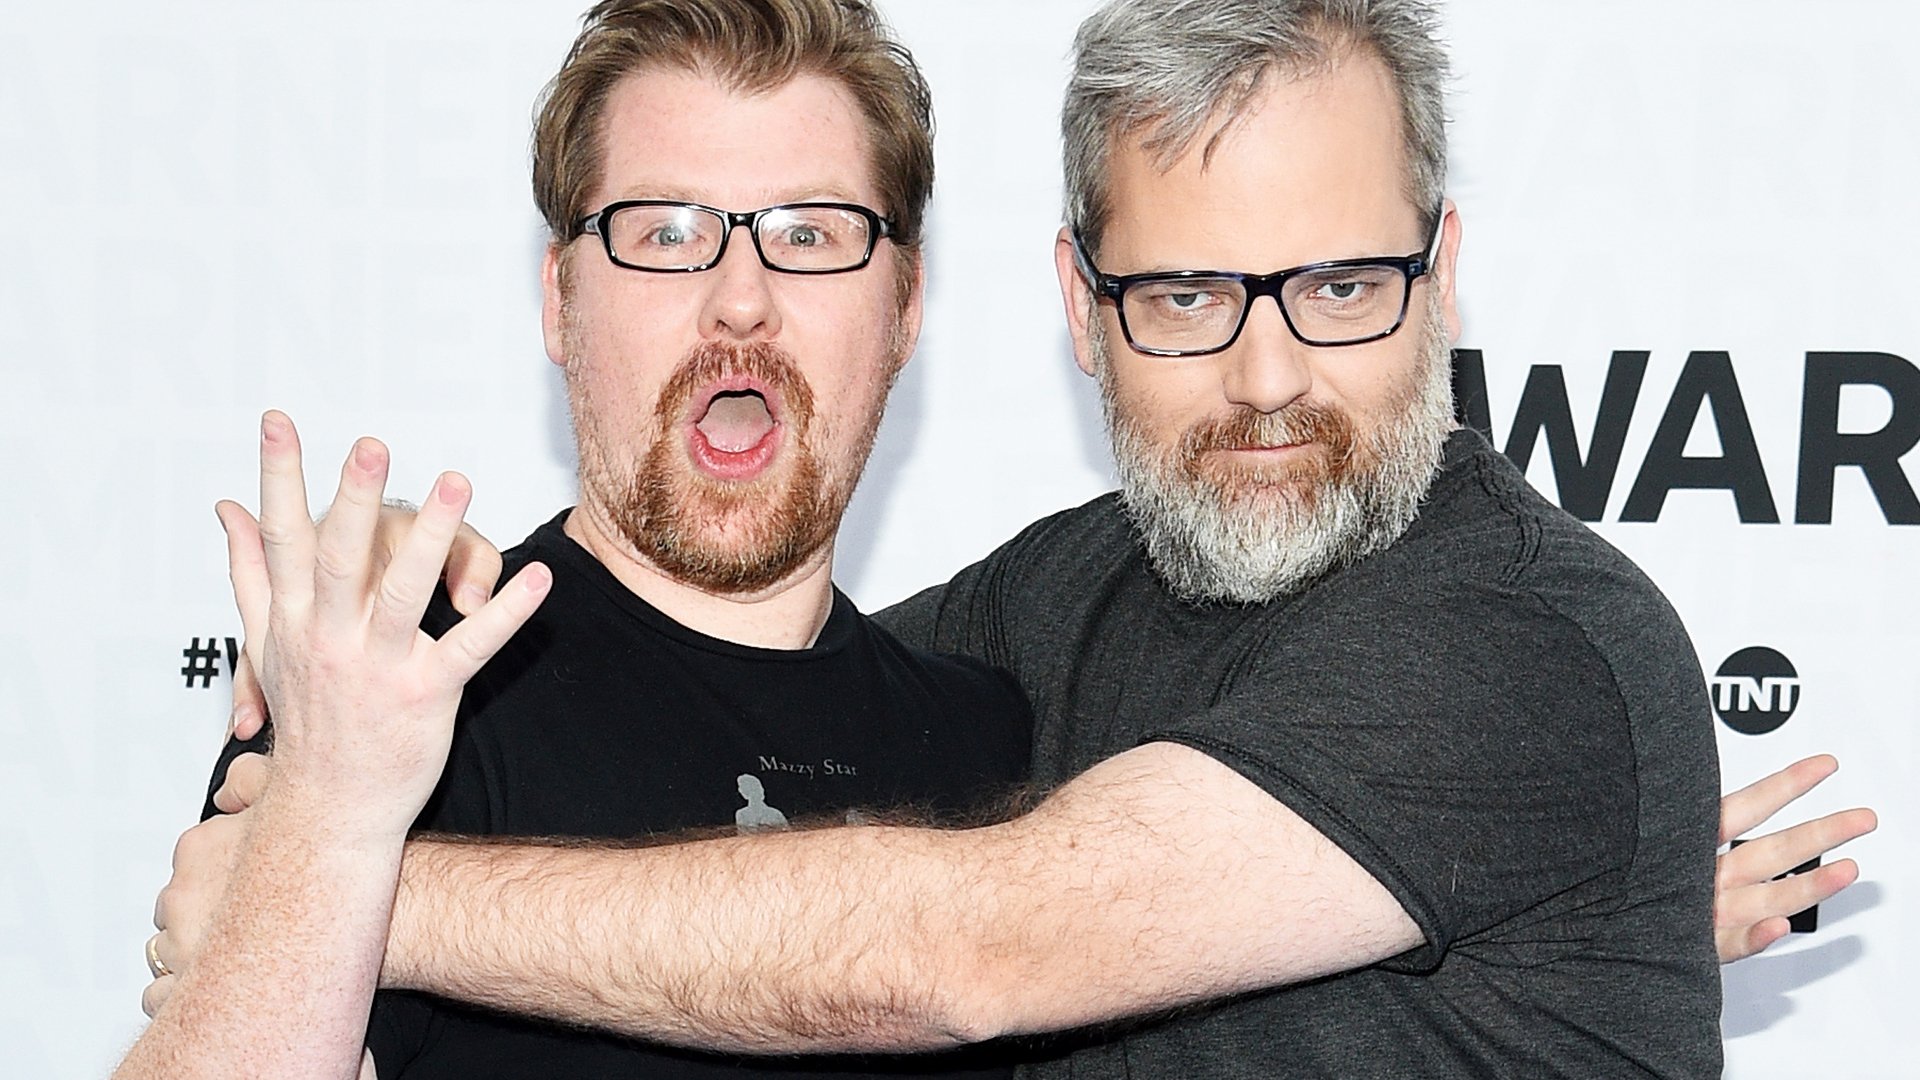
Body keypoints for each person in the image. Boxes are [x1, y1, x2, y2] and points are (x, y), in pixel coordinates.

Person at [131, 0, 1879, 1076]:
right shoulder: (1019, 634)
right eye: (1187, 293)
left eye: (1341, 286)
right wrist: (323, 831)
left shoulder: (1525, 649)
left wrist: (350, 892)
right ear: (1078, 302)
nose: (1269, 377)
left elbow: (967, 947)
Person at [118, 2, 1033, 1077]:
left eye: (808, 233)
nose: (741, 301)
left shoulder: (1000, 744)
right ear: (559, 300)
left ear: (908, 307)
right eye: (667, 232)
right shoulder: (409, 692)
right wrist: (325, 824)